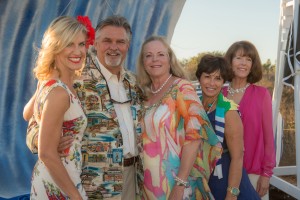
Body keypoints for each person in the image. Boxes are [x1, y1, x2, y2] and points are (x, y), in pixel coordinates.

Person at [24, 15, 144, 199]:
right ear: (94, 44)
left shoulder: (133, 82)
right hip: (93, 184)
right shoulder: (75, 78)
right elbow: (32, 117)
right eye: (107, 41)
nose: (114, 47)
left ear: (128, 45)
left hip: (131, 177)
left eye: (120, 41)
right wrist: (44, 142)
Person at [136, 36, 222, 200]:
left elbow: (195, 137)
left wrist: (180, 184)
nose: (155, 59)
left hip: (175, 181)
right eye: (148, 55)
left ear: (169, 58)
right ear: (143, 62)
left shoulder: (182, 88)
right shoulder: (144, 93)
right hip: (146, 182)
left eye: (160, 54)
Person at [27, 16, 91, 199]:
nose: (78, 51)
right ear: (55, 48)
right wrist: (77, 196)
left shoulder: (51, 84)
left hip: (62, 177)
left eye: (81, 44)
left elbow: (27, 114)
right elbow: (46, 153)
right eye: (69, 44)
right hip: (58, 183)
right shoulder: (59, 93)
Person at [196, 54, 260, 199]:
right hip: (207, 178)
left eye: (218, 78)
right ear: (199, 77)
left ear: (223, 81)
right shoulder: (195, 105)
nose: (212, 83)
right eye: (207, 76)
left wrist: (231, 194)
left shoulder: (228, 111)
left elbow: (238, 157)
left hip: (227, 179)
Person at [223, 41, 276, 200]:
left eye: (248, 59)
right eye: (239, 58)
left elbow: (268, 137)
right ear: (230, 62)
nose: (243, 63)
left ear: (253, 65)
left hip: (253, 172)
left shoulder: (261, 94)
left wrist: (266, 174)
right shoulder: (219, 93)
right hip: (223, 171)